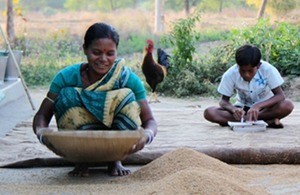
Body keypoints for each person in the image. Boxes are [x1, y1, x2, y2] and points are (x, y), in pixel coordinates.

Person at [32, 22, 157, 177]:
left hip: (117, 145)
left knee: (127, 97)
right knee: (66, 95)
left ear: (117, 52)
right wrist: (43, 136)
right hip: (79, 145)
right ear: (85, 49)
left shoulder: (128, 79)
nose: (103, 59)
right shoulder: (66, 77)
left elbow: (149, 120)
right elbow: (42, 115)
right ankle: (82, 161)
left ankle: (115, 161)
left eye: (110, 53)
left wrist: (146, 136)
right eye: (96, 52)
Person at [204, 44, 294, 128]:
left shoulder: (268, 70)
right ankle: (265, 122)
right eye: (242, 70)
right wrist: (233, 109)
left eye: (250, 71)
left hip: (264, 110)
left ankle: (242, 122)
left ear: (258, 65)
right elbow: (223, 101)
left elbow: (280, 95)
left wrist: (258, 106)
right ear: (237, 65)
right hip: (241, 111)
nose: (246, 75)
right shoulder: (230, 74)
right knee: (209, 112)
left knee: (287, 105)